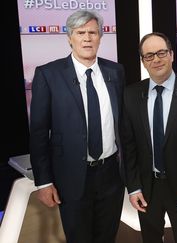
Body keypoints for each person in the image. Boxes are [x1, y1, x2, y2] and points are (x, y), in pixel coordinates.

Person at [30, 10, 125, 243]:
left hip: (111, 175)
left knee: (107, 237)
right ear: (69, 38)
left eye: (93, 32)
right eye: (80, 32)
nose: (87, 38)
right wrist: (43, 181)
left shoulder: (116, 71)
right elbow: (39, 133)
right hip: (70, 177)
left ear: (101, 37)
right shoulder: (48, 74)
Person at [120, 32, 177, 243]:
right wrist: (133, 187)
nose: (156, 59)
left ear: (171, 54)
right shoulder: (130, 95)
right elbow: (128, 147)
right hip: (146, 189)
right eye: (149, 55)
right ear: (143, 61)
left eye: (161, 53)